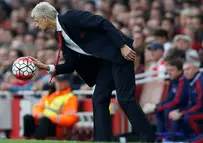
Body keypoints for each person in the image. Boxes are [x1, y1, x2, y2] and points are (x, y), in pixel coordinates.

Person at [29, 2, 156, 142]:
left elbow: (102, 22)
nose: (36, 25)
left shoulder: (70, 17)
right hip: (105, 62)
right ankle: (101, 140)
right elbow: (71, 64)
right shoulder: (58, 34)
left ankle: (148, 138)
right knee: (99, 98)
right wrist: (47, 67)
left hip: (120, 53)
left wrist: (122, 46)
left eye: (36, 21)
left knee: (125, 98)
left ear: (45, 18)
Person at [23, 74, 78, 139]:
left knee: (44, 120)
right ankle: (26, 139)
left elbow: (70, 119)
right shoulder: (50, 94)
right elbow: (37, 107)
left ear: (67, 83)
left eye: (62, 82)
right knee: (27, 117)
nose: (59, 84)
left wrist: (50, 118)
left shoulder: (70, 97)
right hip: (43, 121)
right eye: (57, 81)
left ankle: (38, 139)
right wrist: (39, 115)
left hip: (56, 126)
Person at [143, 59, 189, 133]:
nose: (169, 73)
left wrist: (156, 107)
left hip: (187, 107)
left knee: (167, 110)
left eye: (172, 70)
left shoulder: (183, 80)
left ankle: (172, 137)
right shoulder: (174, 80)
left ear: (180, 70)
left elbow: (177, 101)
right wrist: (156, 106)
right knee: (160, 111)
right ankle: (161, 137)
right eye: (168, 70)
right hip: (179, 106)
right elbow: (169, 99)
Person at [169, 61, 203, 138]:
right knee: (173, 113)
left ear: (196, 69)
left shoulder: (200, 81)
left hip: (201, 110)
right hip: (198, 109)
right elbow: (191, 104)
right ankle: (180, 137)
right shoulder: (190, 80)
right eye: (184, 70)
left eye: (188, 69)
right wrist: (179, 111)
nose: (186, 72)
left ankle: (197, 138)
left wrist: (182, 113)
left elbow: (199, 105)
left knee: (187, 117)